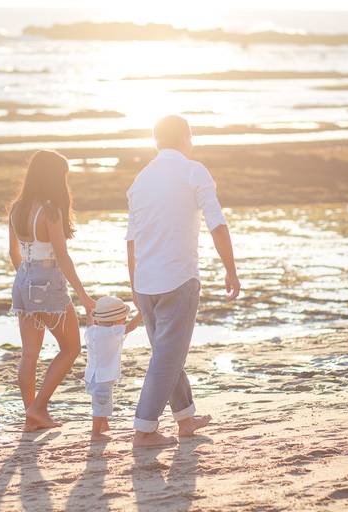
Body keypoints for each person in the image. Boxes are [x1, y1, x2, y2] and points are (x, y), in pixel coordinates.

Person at [125, 115, 241, 448]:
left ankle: (185, 419)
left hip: (146, 283)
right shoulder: (193, 171)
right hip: (178, 280)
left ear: (155, 141)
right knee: (168, 358)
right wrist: (230, 269)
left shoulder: (141, 179)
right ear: (186, 138)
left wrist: (135, 288)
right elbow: (217, 223)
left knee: (167, 354)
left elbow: (131, 240)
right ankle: (145, 430)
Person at [8, 150, 95, 431]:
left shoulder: (17, 208)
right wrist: (84, 296)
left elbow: (13, 253)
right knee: (71, 347)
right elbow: (63, 256)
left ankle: (31, 416)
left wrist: (27, 279)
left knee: (29, 354)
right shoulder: (50, 211)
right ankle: (38, 408)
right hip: (46, 282)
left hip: (23, 280)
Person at [83, 296, 143, 441]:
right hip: (103, 377)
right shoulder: (112, 332)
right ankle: (95, 434)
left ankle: (104, 426)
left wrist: (89, 311)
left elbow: (89, 321)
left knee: (100, 402)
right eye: (123, 318)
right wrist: (142, 312)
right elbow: (131, 327)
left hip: (91, 375)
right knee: (101, 404)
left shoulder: (92, 331)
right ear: (117, 321)